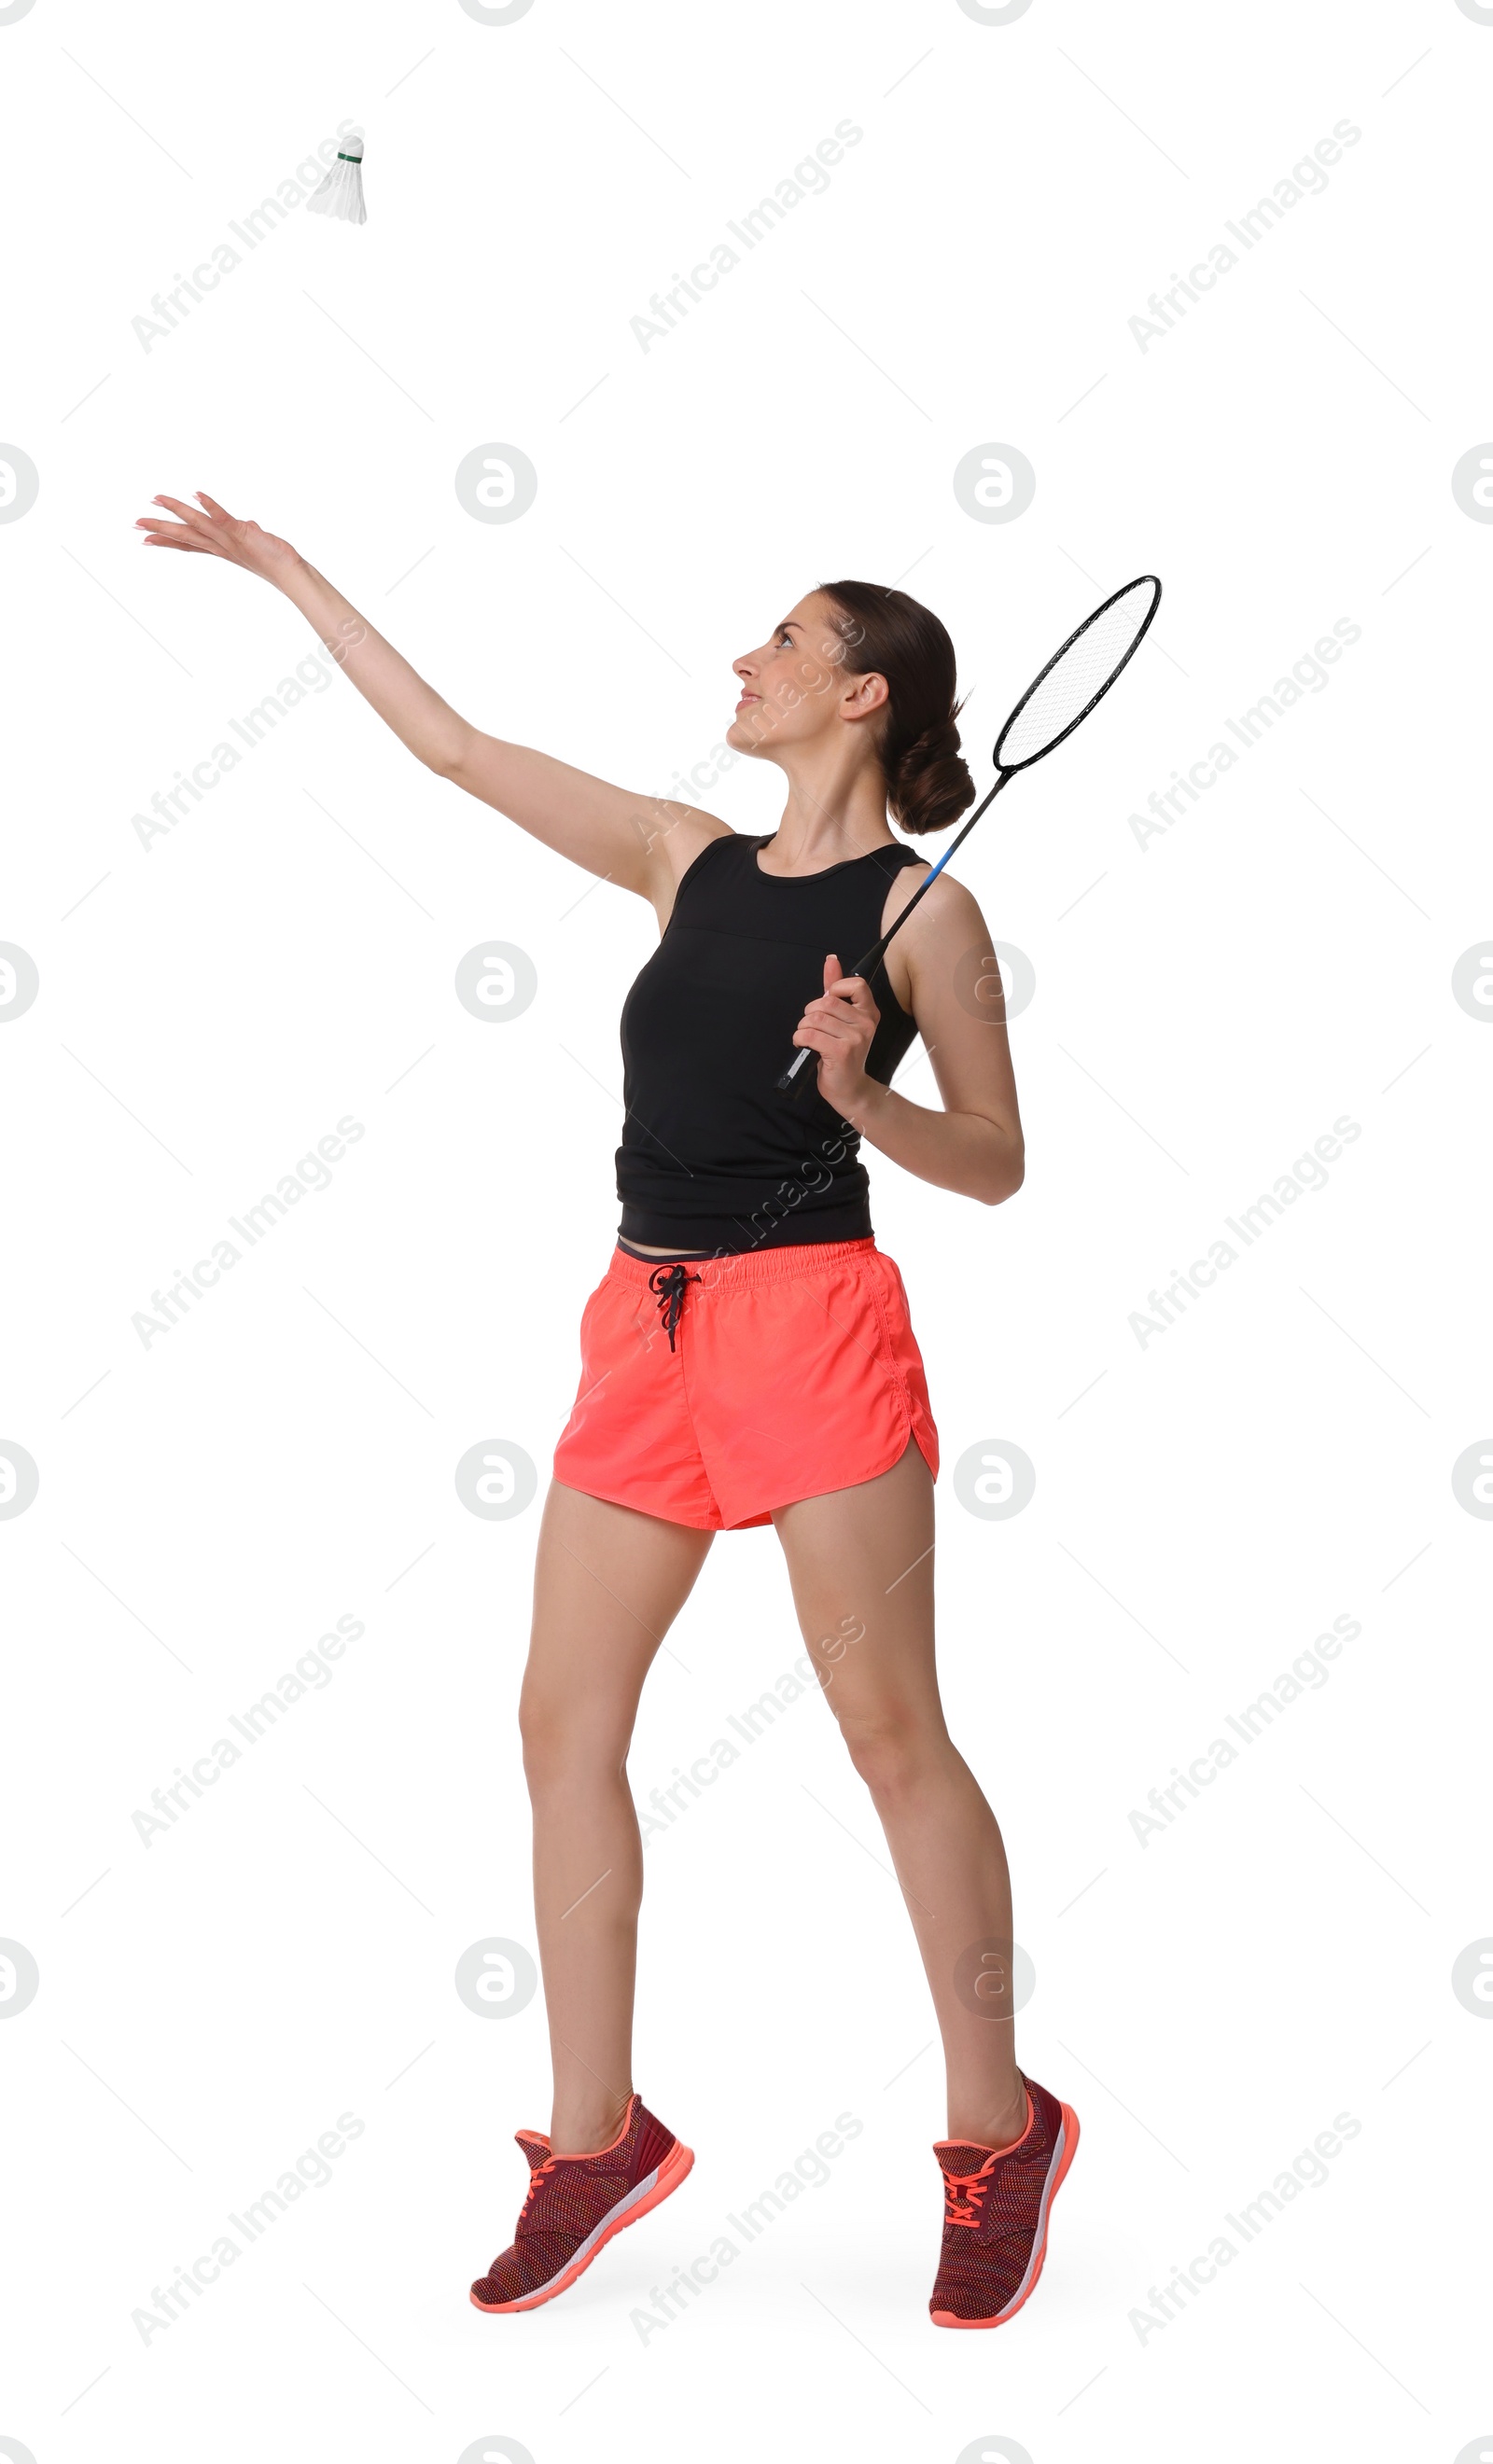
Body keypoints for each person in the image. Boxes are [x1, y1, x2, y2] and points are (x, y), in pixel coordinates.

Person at [137, 491, 1080, 2329]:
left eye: (785, 640)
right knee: (559, 1723)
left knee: (891, 1737)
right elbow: (451, 747)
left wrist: (853, 1092)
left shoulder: (925, 916)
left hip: (814, 1321)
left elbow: (997, 1162)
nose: (745, 659)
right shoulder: (680, 855)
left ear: (864, 696)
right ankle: (595, 2140)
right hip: (642, 1320)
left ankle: (995, 2131)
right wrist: (281, 562)